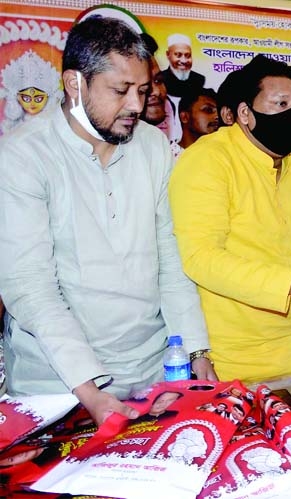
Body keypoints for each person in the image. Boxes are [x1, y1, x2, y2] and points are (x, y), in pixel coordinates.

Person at [0, 15, 215, 426]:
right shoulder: (24, 156)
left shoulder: (153, 146)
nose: (136, 105)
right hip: (60, 385)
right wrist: (90, 393)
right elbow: (30, 288)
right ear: (74, 85)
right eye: (121, 91)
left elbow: (172, 261)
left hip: (150, 374)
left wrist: (195, 352)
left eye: (143, 89)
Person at [168, 55, 291, 383]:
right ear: (245, 113)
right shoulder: (207, 160)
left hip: (289, 348)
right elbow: (200, 259)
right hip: (224, 356)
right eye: (280, 103)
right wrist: (290, 282)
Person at [140, 33, 177, 142]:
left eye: (158, 80)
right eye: (145, 83)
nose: (156, 91)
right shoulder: (109, 151)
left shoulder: (166, 149)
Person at [172, 87, 219, 157]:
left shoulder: (220, 154)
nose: (217, 116)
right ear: (185, 117)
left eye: (219, 112)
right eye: (208, 110)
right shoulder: (166, 156)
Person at [158, 33, 205, 100]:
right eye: (178, 55)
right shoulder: (161, 79)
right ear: (168, 54)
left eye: (188, 55)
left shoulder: (199, 79)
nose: (183, 60)